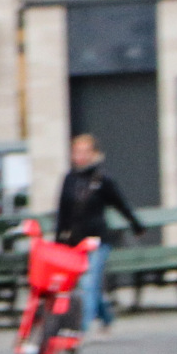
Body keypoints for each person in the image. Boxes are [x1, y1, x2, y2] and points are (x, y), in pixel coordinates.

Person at [54, 133, 145, 336]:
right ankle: (106, 316)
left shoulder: (102, 179)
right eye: (77, 152)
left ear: (94, 154)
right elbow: (63, 211)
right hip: (74, 241)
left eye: (86, 152)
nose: (81, 156)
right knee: (85, 285)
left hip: (97, 240)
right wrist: (59, 241)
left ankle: (80, 328)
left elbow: (121, 204)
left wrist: (136, 225)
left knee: (89, 283)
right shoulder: (69, 179)